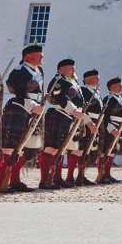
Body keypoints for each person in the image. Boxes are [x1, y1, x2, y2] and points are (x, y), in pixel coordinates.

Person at [0, 43, 45, 193]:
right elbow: (14, 88)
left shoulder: (39, 70)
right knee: (9, 149)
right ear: (28, 57)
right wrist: (31, 104)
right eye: (39, 54)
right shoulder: (19, 70)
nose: (42, 56)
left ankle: (15, 180)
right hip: (20, 108)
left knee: (23, 149)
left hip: (35, 109)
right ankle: (1, 182)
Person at [39, 58, 85, 189]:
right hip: (57, 115)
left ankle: (57, 178)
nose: (73, 70)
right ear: (61, 69)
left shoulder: (73, 82)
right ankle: (45, 180)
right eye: (70, 67)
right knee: (51, 149)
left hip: (69, 117)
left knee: (61, 149)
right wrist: (74, 110)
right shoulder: (58, 81)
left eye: (73, 67)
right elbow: (58, 98)